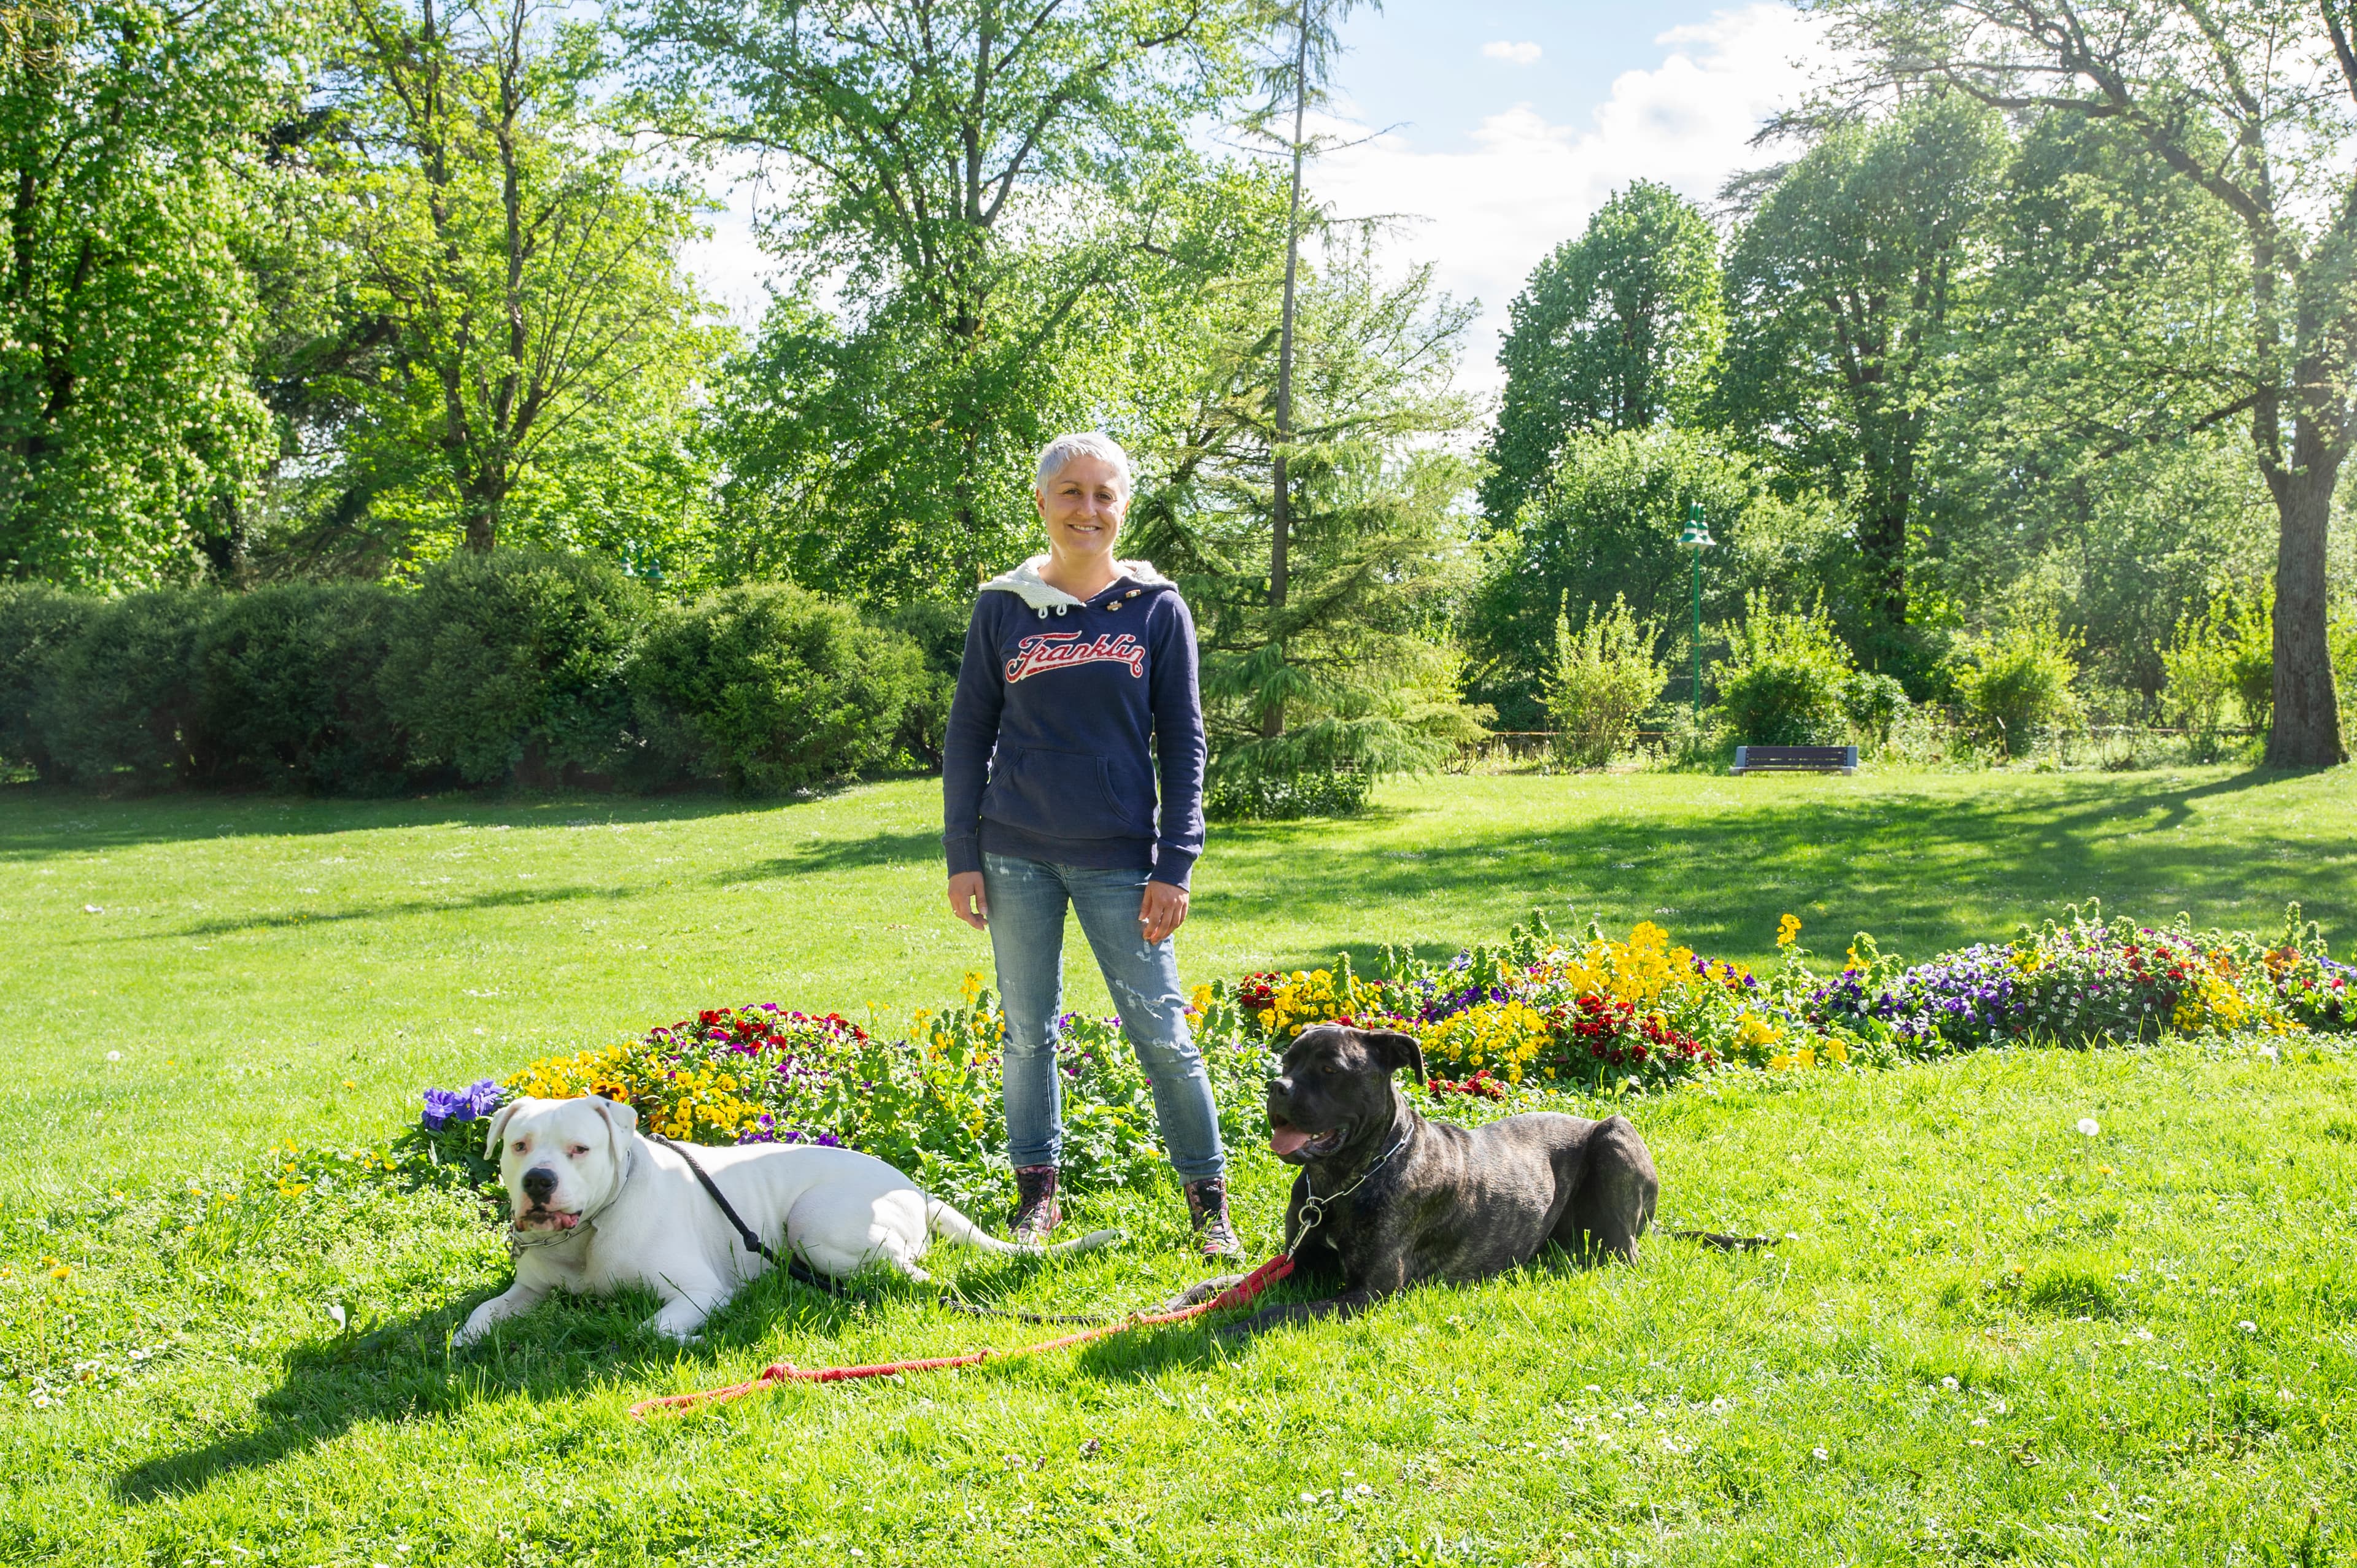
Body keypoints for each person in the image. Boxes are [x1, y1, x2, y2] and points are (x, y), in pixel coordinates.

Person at [941, 431, 1240, 1261]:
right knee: (1026, 1033)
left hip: (1122, 859)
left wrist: (1175, 862)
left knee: (1163, 1033)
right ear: (1041, 502)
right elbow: (969, 732)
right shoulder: (1001, 606)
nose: (1088, 509)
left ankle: (1208, 1205)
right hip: (1015, 854)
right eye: (1070, 492)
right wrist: (962, 854)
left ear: (1124, 506)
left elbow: (1185, 741)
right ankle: (1037, 1198)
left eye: (1104, 494)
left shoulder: (1156, 610)